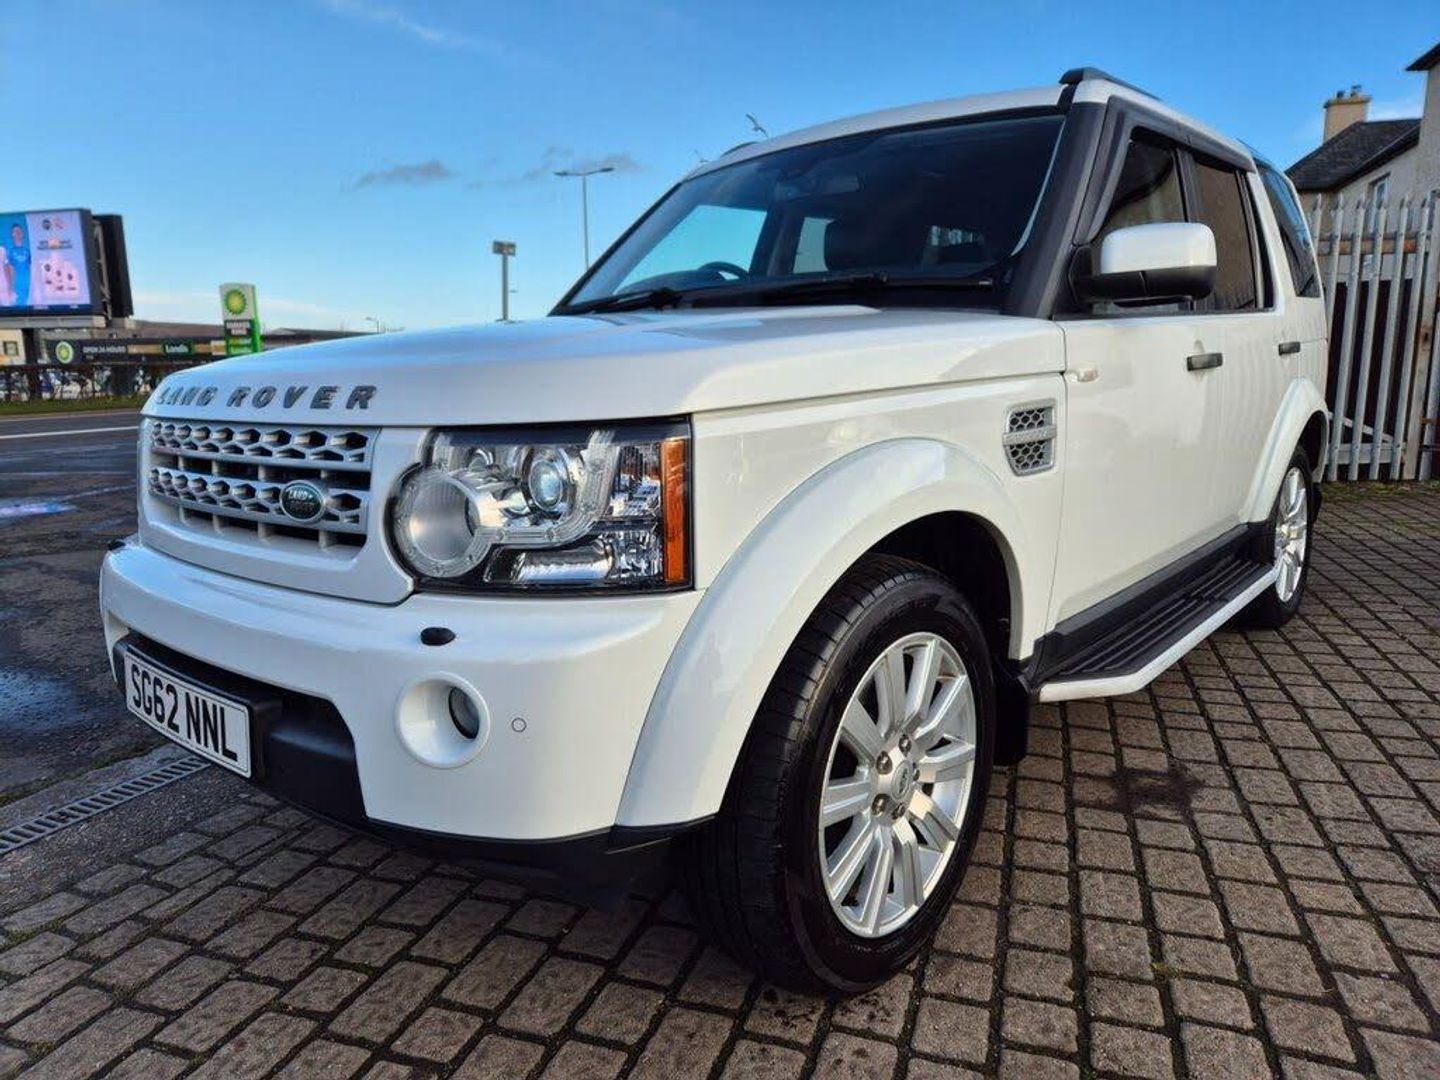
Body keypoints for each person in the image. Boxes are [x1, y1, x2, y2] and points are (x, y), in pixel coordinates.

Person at [6, 222, 32, 308]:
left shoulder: (28, 250)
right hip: (17, 287)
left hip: (28, 285)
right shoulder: (10, 251)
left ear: (22, 234)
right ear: (12, 234)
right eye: (15, 231)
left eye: (19, 231)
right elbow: (9, 270)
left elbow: (32, 267)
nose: (17, 233)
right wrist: (11, 288)